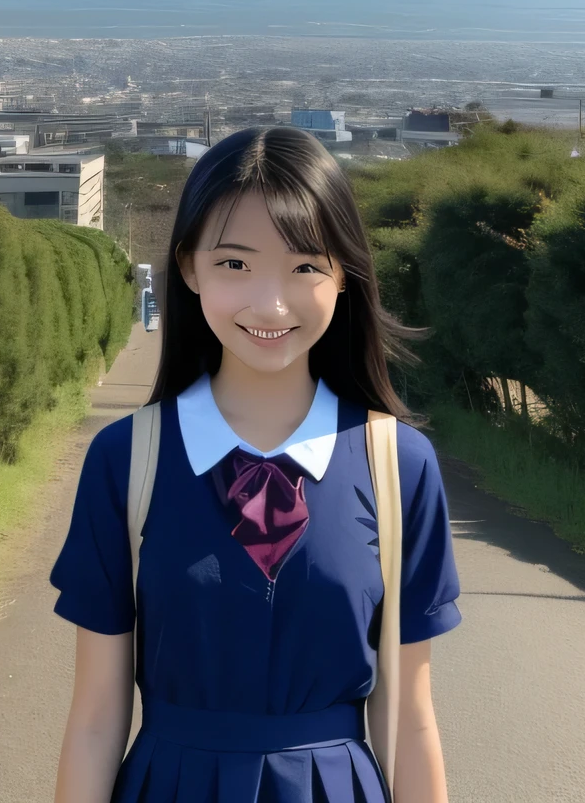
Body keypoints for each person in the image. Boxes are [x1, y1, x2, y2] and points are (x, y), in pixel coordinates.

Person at [50, 127, 462, 803]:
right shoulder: (127, 460)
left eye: (305, 266)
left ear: (344, 275)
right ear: (188, 268)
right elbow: (95, 719)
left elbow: (410, 719)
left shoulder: (398, 465)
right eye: (235, 265)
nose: (270, 305)